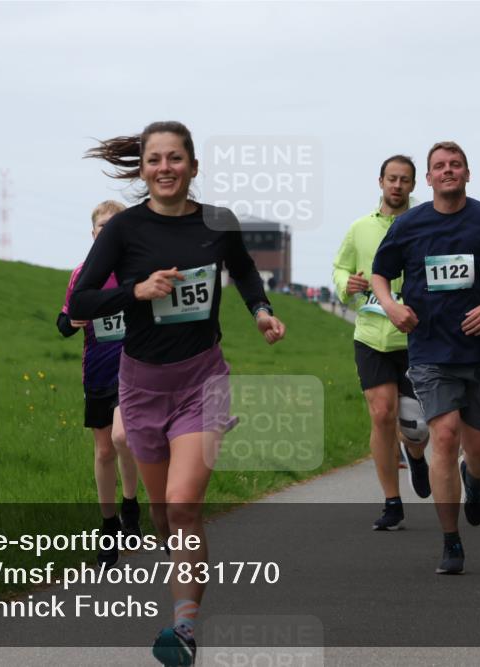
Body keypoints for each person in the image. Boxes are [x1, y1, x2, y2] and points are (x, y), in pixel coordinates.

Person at [70, 121, 286, 666]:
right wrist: (135, 292)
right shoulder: (124, 231)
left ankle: (184, 630)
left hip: (203, 380)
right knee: (165, 518)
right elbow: (82, 304)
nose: (164, 168)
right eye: (154, 160)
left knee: (185, 505)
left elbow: (244, 273)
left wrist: (260, 312)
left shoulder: (219, 222)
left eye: (175, 158)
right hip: (141, 387)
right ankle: (180, 590)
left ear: (192, 165)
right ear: (142, 170)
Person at [371, 141, 480, 574]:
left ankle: (474, 479)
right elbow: (380, 272)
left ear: (467, 173)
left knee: (479, 450)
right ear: (428, 178)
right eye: (439, 166)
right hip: (430, 351)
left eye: (455, 165)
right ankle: (451, 541)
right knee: (443, 437)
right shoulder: (409, 225)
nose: (447, 171)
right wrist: (390, 305)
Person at [332, 155, 431, 532]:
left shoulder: (424, 224)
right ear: (380, 181)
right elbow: (340, 267)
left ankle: (417, 456)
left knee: (416, 427)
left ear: (413, 184)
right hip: (371, 335)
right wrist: (347, 284)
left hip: (415, 337)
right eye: (392, 178)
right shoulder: (360, 228)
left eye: (404, 180)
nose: (397, 185)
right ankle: (392, 501)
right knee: (381, 414)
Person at [59, 200, 141, 569]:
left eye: (114, 226)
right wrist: (71, 323)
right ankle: (109, 525)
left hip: (135, 370)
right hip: (97, 372)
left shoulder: (136, 271)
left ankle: (131, 505)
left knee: (124, 438)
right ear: (92, 233)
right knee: (104, 451)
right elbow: (62, 322)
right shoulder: (81, 275)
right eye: (101, 227)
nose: (107, 232)